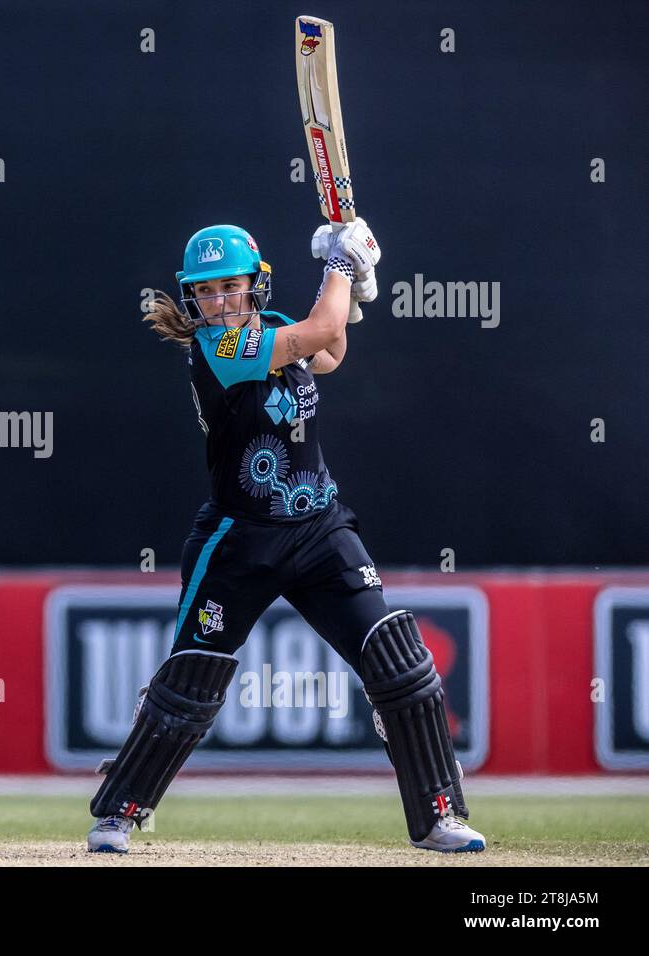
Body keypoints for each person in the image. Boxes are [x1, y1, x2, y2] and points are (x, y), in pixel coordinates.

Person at [87, 222, 484, 854]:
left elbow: (331, 350)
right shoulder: (216, 349)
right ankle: (118, 812)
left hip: (321, 529)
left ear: (254, 285)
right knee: (191, 681)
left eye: (230, 287)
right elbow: (317, 332)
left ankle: (439, 813)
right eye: (207, 291)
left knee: (397, 660)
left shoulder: (270, 327)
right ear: (193, 299)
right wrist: (341, 267)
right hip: (239, 541)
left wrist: (350, 288)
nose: (219, 301)